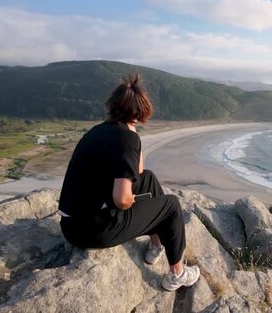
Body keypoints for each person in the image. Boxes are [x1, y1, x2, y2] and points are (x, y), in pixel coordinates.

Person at [58, 73, 200, 291]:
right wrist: (131, 199)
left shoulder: (100, 131)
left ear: (112, 106)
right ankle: (178, 274)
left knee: (149, 179)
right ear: (140, 112)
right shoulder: (126, 138)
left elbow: (139, 172)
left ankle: (155, 245)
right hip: (91, 230)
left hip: (73, 224)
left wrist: (134, 137)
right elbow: (122, 200)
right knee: (171, 205)